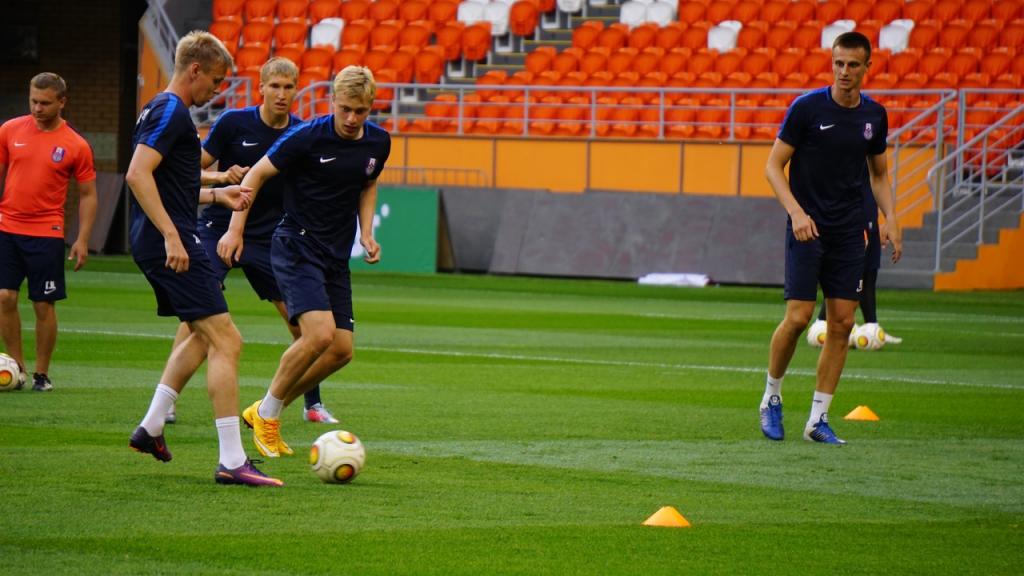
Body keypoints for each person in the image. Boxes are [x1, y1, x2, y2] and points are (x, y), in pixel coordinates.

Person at [125, 30, 281, 486]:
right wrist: (172, 235)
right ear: (194, 70)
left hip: (158, 238)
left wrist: (217, 193)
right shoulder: (171, 111)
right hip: (170, 242)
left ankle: (151, 427)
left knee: (200, 333)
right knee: (228, 341)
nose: (217, 90)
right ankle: (232, 460)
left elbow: (169, 184)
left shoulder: (158, 107)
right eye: (215, 80)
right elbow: (137, 175)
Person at [164, 57, 341, 426]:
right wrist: (219, 178)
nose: (281, 94)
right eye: (274, 86)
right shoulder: (233, 123)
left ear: (297, 90)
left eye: (288, 87)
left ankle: (312, 403)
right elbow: (192, 168)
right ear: (260, 88)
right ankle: (168, 400)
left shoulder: (301, 133)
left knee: (303, 326)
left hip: (271, 238)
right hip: (218, 228)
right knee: (200, 311)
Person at [236, 66, 390, 458]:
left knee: (341, 351)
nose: (351, 118)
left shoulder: (378, 142)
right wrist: (235, 230)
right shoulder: (305, 136)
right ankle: (268, 416)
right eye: (345, 109)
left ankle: (265, 409)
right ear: (332, 102)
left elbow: (368, 184)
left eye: (360, 111)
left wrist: (367, 233)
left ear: (371, 107)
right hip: (296, 244)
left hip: (334, 254)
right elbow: (255, 175)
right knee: (319, 335)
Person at [759, 32, 903, 445]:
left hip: (850, 231)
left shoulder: (874, 116)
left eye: (853, 65)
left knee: (842, 323)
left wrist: (891, 218)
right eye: (838, 63)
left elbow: (879, 174)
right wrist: (796, 212)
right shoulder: (806, 109)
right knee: (799, 317)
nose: (844, 72)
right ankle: (771, 397)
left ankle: (817, 420)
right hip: (807, 227)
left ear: (867, 68)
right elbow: (773, 167)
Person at [0, 72, 97, 392]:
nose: (37, 108)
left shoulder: (76, 145)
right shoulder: (10, 130)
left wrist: (83, 239)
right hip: (7, 227)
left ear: (61, 102)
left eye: (44, 103)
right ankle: (17, 369)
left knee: (43, 304)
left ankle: (41, 374)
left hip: (47, 233)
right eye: (33, 101)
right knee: (4, 296)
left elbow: (88, 194)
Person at [807, 188, 903, 347]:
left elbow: (878, 182)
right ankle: (822, 321)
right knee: (849, 273)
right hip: (852, 213)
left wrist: (887, 220)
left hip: (867, 212)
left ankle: (871, 326)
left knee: (868, 271)